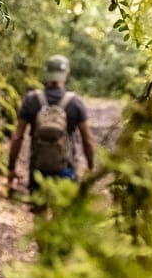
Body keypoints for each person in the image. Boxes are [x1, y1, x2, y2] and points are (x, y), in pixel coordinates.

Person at [7, 54, 96, 192]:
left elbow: (18, 136)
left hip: (37, 172)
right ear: (66, 74)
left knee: (37, 203)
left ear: (47, 73)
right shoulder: (75, 102)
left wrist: (11, 168)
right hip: (66, 171)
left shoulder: (31, 99)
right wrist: (91, 168)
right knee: (64, 203)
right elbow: (88, 140)